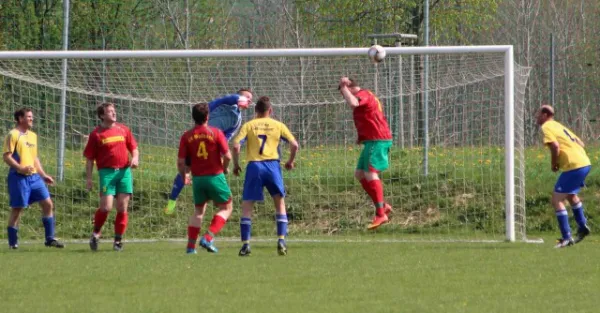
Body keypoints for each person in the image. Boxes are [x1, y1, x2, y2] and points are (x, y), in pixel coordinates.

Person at [164, 89, 253, 214]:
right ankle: (171, 201)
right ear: (238, 96)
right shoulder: (227, 103)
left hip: (211, 146)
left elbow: (227, 137)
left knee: (212, 175)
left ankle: (215, 204)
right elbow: (216, 103)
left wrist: (221, 154)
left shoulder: (238, 120)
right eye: (246, 97)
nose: (249, 100)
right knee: (186, 169)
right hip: (197, 139)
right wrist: (237, 99)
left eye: (250, 99)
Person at [232, 96, 299, 256]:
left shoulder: (249, 125)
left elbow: (235, 146)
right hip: (273, 166)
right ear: (270, 110)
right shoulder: (278, 125)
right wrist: (290, 161)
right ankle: (281, 240)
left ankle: (246, 244)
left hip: (254, 166)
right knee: (279, 203)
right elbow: (294, 144)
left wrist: (236, 165)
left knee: (247, 206)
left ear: (256, 111)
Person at [3, 108, 64, 249]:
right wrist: (20, 168)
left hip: (35, 178)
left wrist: (43, 175)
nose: (32, 119)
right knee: (17, 209)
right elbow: (6, 156)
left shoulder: (33, 136)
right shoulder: (13, 135)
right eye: (29, 117)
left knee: (48, 204)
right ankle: (13, 243)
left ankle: (50, 238)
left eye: (32, 117)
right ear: (20, 119)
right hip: (18, 178)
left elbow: (34, 158)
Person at [177, 103, 234, 254]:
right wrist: (224, 167)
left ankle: (190, 248)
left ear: (193, 117)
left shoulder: (186, 136)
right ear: (208, 116)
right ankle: (208, 238)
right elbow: (228, 156)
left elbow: (181, 162)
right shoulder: (215, 132)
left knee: (198, 212)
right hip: (215, 176)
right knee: (227, 207)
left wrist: (184, 177)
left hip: (198, 180)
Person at [338, 77, 393, 230]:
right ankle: (383, 206)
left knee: (370, 173)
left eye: (345, 93)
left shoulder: (364, 95)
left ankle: (381, 214)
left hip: (378, 140)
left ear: (350, 88)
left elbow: (354, 103)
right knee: (360, 174)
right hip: (371, 141)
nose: (345, 97)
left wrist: (343, 87)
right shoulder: (365, 96)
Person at [84, 102, 139, 251]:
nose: (113, 113)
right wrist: (89, 178)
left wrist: (135, 158)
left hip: (124, 172)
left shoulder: (123, 129)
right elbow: (89, 159)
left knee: (122, 207)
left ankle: (117, 241)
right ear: (102, 115)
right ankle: (96, 233)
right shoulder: (96, 134)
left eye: (114, 110)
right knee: (106, 207)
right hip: (107, 173)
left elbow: (134, 147)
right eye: (109, 111)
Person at [536, 104, 591, 248]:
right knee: (570, 195)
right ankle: (582, 225)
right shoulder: (558, 126)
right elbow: (581, 143)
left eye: (538, 114)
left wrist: (554, 163)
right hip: (584, 162)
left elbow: (555, 146)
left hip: (574, 166)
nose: (536, 117)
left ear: (545, 115)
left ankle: (567, 238)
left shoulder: (546, 127)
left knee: (556, 199)